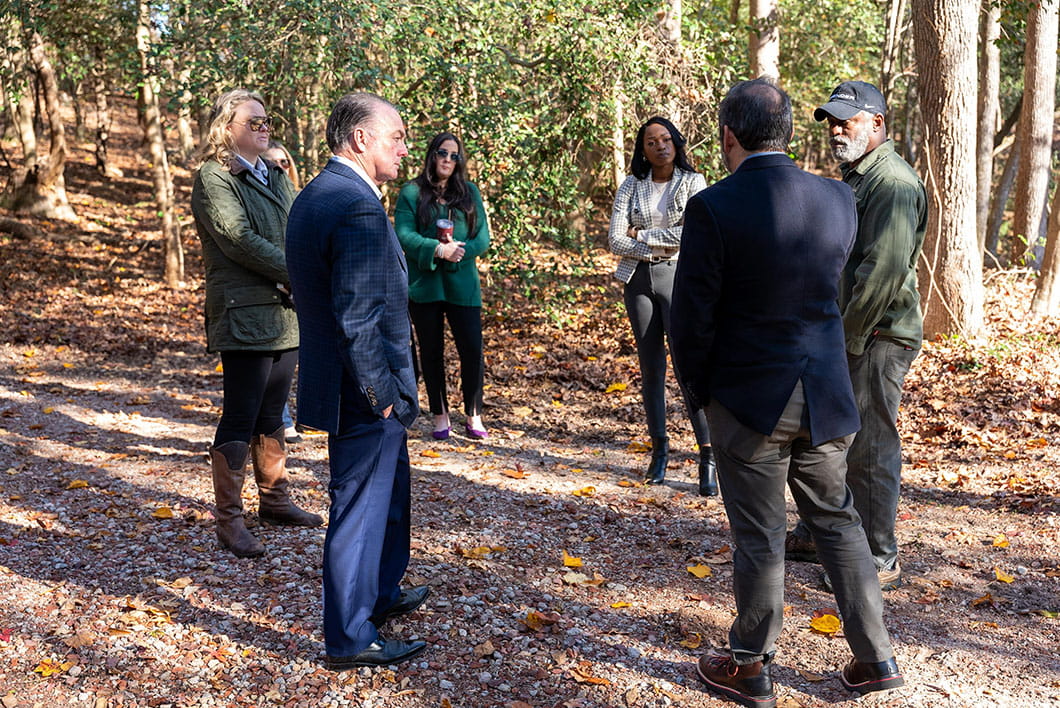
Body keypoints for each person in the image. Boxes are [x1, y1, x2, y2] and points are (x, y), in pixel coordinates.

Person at [671, 78, 904, 707]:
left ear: (727, 136)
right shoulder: (837, 199)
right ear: (791, 133)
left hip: (749, 396)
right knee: (837, 520)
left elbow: (691, 318)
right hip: (825, 389)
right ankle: (876, 657)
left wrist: (700, 393)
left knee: (760, 531)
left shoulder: (713, 207)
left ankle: (749, 664)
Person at [286, 92, 428, 670]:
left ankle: (382, 594)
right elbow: (357, 319)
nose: (404, 146)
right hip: (364, 392)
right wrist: (385, 399)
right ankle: (349, 636)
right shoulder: (356, 207)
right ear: (360, 139)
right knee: (358, 513)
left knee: (390, 500)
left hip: (349, 383)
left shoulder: (316, 194)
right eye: (395, 135)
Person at [785, 81, 927, 593]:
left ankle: (877, 557)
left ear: (877, 124)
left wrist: (843, 342)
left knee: (868, 442)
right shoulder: (856, 177)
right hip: (846, 331)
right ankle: (816, 533)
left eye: (848, 119)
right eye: (832, 120)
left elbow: (881, 275)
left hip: (877, 335)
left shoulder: (891, 182)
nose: (837, 129)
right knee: (827, 435)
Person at [190, 88, 323, 559]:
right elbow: (237, 239)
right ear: (227, 129)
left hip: (285, 311)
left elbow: (295, 229)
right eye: (254, 122)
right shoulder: (213, 177)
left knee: (273, 410)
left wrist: (299, 273)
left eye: (267, 122)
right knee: (241, 412)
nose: (265, 129)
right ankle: (229, 521)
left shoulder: (275, 174)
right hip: (244, 313)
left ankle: (274, 500)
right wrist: (297, 272)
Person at [607, 117, 716, 495]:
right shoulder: (631, 186)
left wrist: (645, 235)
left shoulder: (693, 182)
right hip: (637, 281)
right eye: (651, 141)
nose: (660, 146)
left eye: (666, 138)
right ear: (643, 149)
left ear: (677, 142)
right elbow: (615, 240)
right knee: (651, 368)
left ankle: (708, 457)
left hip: (678, 279)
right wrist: (655, 244)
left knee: (689, 368)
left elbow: (693, 234)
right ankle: (659, 452)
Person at [394, 132, 491, 440]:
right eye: (442, 153)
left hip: (463, 284)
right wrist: (437, 250)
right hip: (425, 285)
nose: (448, 160)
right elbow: (403, 235)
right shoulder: (411, 192)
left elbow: (483, 238)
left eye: (454, 155)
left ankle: (473, 414)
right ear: (431, 155)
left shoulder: (469, 192)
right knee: (431, 352)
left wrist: (459, 251)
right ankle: (440, 415)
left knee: (472, 350)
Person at [262, 140, 302, 444]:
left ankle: (283, 414)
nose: (279, 168)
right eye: (272, 163)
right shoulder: (256, 201)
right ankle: (279, 418)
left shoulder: (302, 200)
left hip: (297, 288)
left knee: (290, 359)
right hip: (267, 283)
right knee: (265, 362)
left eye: (284, 163)